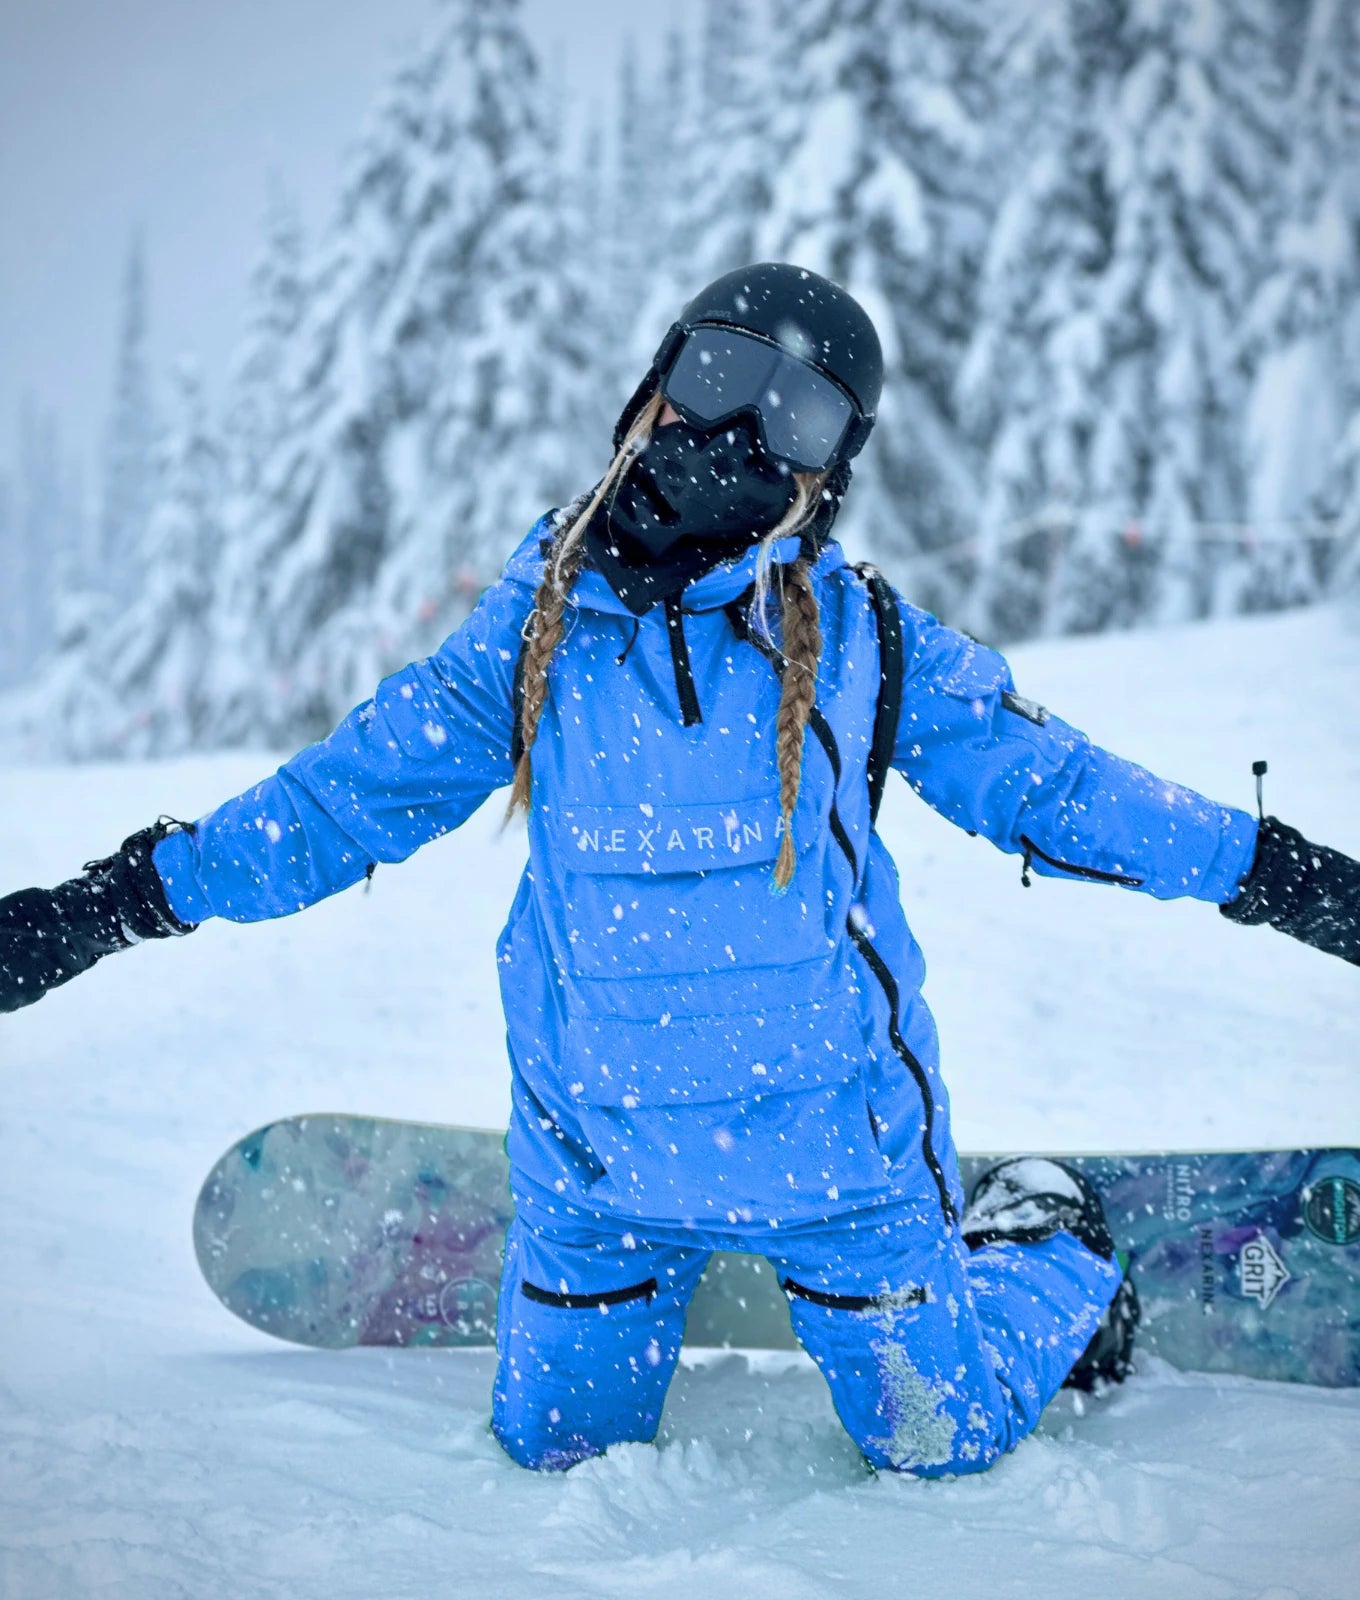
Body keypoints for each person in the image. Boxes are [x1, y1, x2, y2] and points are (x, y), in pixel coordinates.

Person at [2, 263, 1357, 1477]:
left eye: (803, 417)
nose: (745, 432)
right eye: (720, 376)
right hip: (597, 1181)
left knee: (940, 1440)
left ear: (834, 470)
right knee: (551, 1462)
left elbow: (1059, 790)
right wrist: (112, 904)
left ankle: (1050, 1244)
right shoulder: (530, 631)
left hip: (844, 1174)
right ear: (654, 385)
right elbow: (336, 805)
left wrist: (1285, 875)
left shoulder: (864, 639)